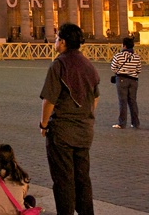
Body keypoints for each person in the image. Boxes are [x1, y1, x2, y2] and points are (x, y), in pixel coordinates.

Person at [39, 23, 100, 215]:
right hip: (84, 131)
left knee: (63, 180)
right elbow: (95, 97)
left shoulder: (59, 65)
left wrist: (43, 124)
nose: (55, 41)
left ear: (63, 42)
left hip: (62, 132)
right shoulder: (88, 64)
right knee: (83, 179)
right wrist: (85, 115)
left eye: (57, 38)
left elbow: (49, 100)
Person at [110, 36, 142, 129]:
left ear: (124, 46)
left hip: (122, 79)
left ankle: (122, 123)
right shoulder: (136, 57)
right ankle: (135, 123)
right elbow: (139, 70)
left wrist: (120, 71)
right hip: (133, 80)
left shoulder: (118, 56)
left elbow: (113, 68)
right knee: (133, 101)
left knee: (122, 101)